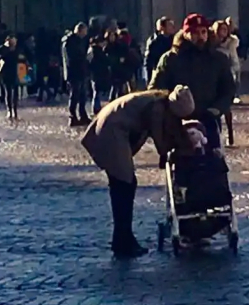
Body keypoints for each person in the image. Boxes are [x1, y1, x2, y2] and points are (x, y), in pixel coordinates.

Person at [82, 85, 195, 258]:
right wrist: (179, 149)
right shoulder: (158, 108)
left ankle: (122, 238)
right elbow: (160, 142)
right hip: (112, 130)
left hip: (111, 126)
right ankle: (123, 240)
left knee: (122, 184)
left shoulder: (158, 101)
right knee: (125, 185)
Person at [148, 14, 236, 147]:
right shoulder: (170, 59)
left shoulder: (218, 59)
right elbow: (156, 90)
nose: (200, 36)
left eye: (203, 32)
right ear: (185, 34)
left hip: (209, 119)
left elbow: (228, 89)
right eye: (194, 32)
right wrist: (172, 106)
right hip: (179, 121)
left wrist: (217, 108)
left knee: (214, 160)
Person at [62, 24, 92, 126]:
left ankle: (82, 115)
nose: (86, 33)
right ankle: (73, 115)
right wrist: (84, 58)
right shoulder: (70, 42)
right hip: (74, 72)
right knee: (75, 94)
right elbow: (72, 58)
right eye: (85, 31)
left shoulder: (80, 41)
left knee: (83, 94)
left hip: (81, 71)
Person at [0, 34, 24, 123]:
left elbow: (23, 58)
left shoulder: (17, 50)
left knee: (15, 93)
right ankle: (10, 111)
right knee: (8, 93)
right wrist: (3, 46)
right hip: (5, 73)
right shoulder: (4, 49)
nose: (14, 42)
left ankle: (14, 111)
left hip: (15, 73)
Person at [141, 17, 173, 84]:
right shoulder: (154, 42)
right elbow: (149, 61)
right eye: (169, 25)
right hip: (159, 73)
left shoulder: (174, 40)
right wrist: (149, 79)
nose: (172, 27)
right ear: (162, 28)